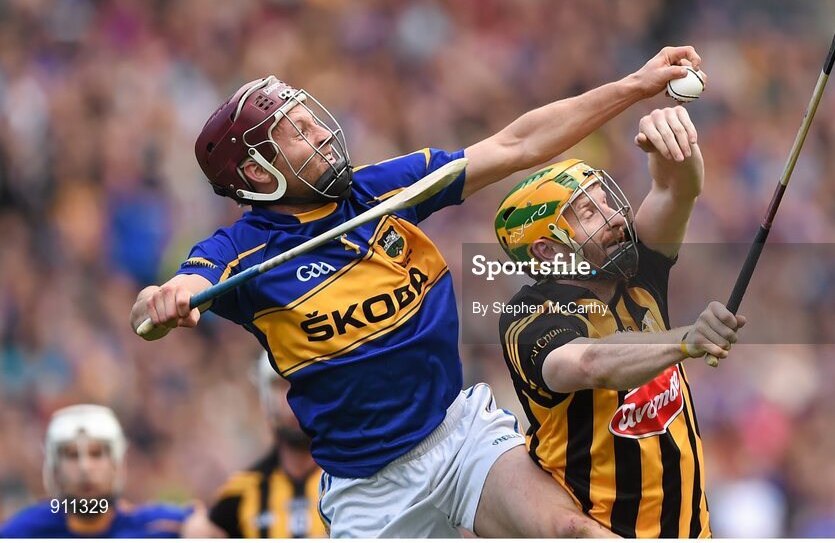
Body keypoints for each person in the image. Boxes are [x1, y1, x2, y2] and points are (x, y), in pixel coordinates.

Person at [129, 46, 702, 538]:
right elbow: (171, 295)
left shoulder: (378, 191)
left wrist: (636, 85)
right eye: (298, 133)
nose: (324, 133)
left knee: (571, 531)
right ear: (258, 173)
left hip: (458, 434)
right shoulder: (241, 249)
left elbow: (518, 144)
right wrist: (163, 300)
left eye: (312, 118)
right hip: (370, 489)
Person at [493, 106, 747, 538]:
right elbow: (588, 363)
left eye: (606, 201)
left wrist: (674, 142)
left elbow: (676, 189)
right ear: (547, 252)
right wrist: (685, 340)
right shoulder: (527, 314)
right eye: (588, 213)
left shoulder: (636, 270)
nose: (613, 217)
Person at [0, 404, 194, 538]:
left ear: (116, 466)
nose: (85, 468)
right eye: (72, 456)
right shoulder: (24, 532)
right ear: (55, 472)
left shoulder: (160, 527)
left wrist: (200, 526)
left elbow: (213, 519)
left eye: (97, 454)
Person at [202, 355, 327, 538]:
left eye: (304, 385)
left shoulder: (354, 479)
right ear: (266, 397)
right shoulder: (238, 495)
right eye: (282, 386)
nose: (295, 400)